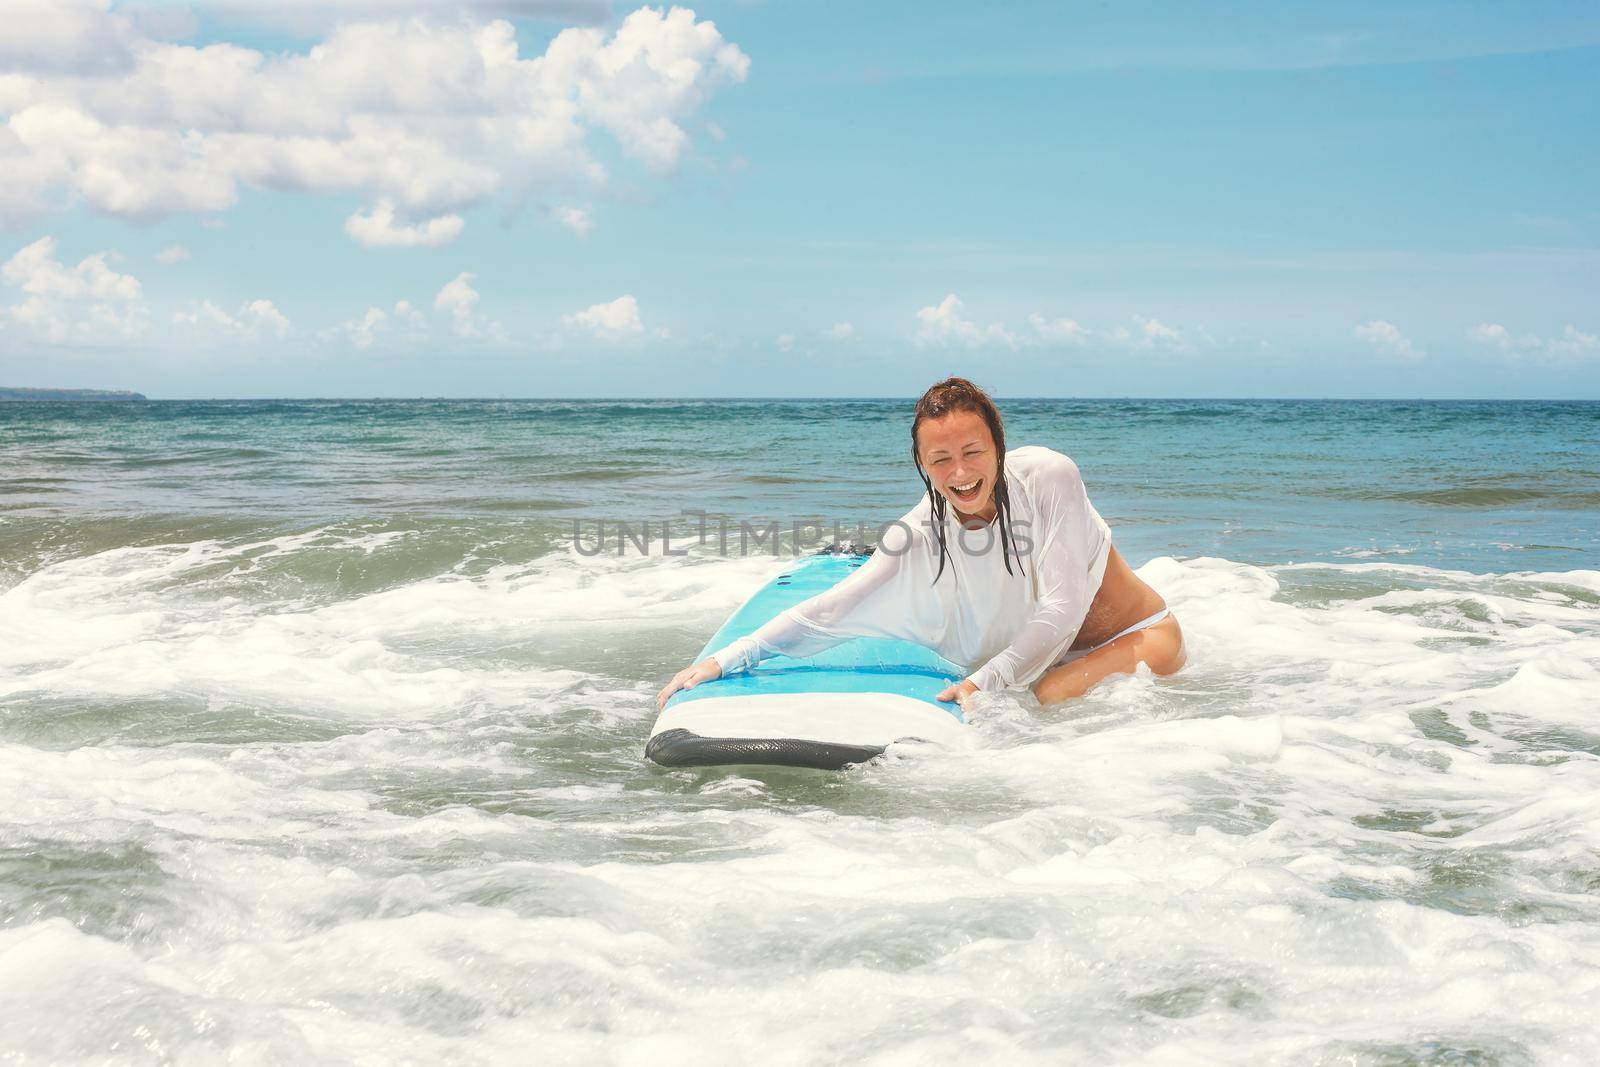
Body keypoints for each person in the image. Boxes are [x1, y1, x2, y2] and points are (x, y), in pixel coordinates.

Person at [655, 377, 1185, 712]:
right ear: (921, 465)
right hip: (1055, 656)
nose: (960, 473)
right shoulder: (917, 530)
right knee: (1023, 695)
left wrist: (986, 682)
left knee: (1041, 696)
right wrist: (728, 660)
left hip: (1140, 636)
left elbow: (1063, 606)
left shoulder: (1049, 477)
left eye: (973, 452)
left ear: (999, 446)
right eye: (940, 461)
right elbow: (836, 606)